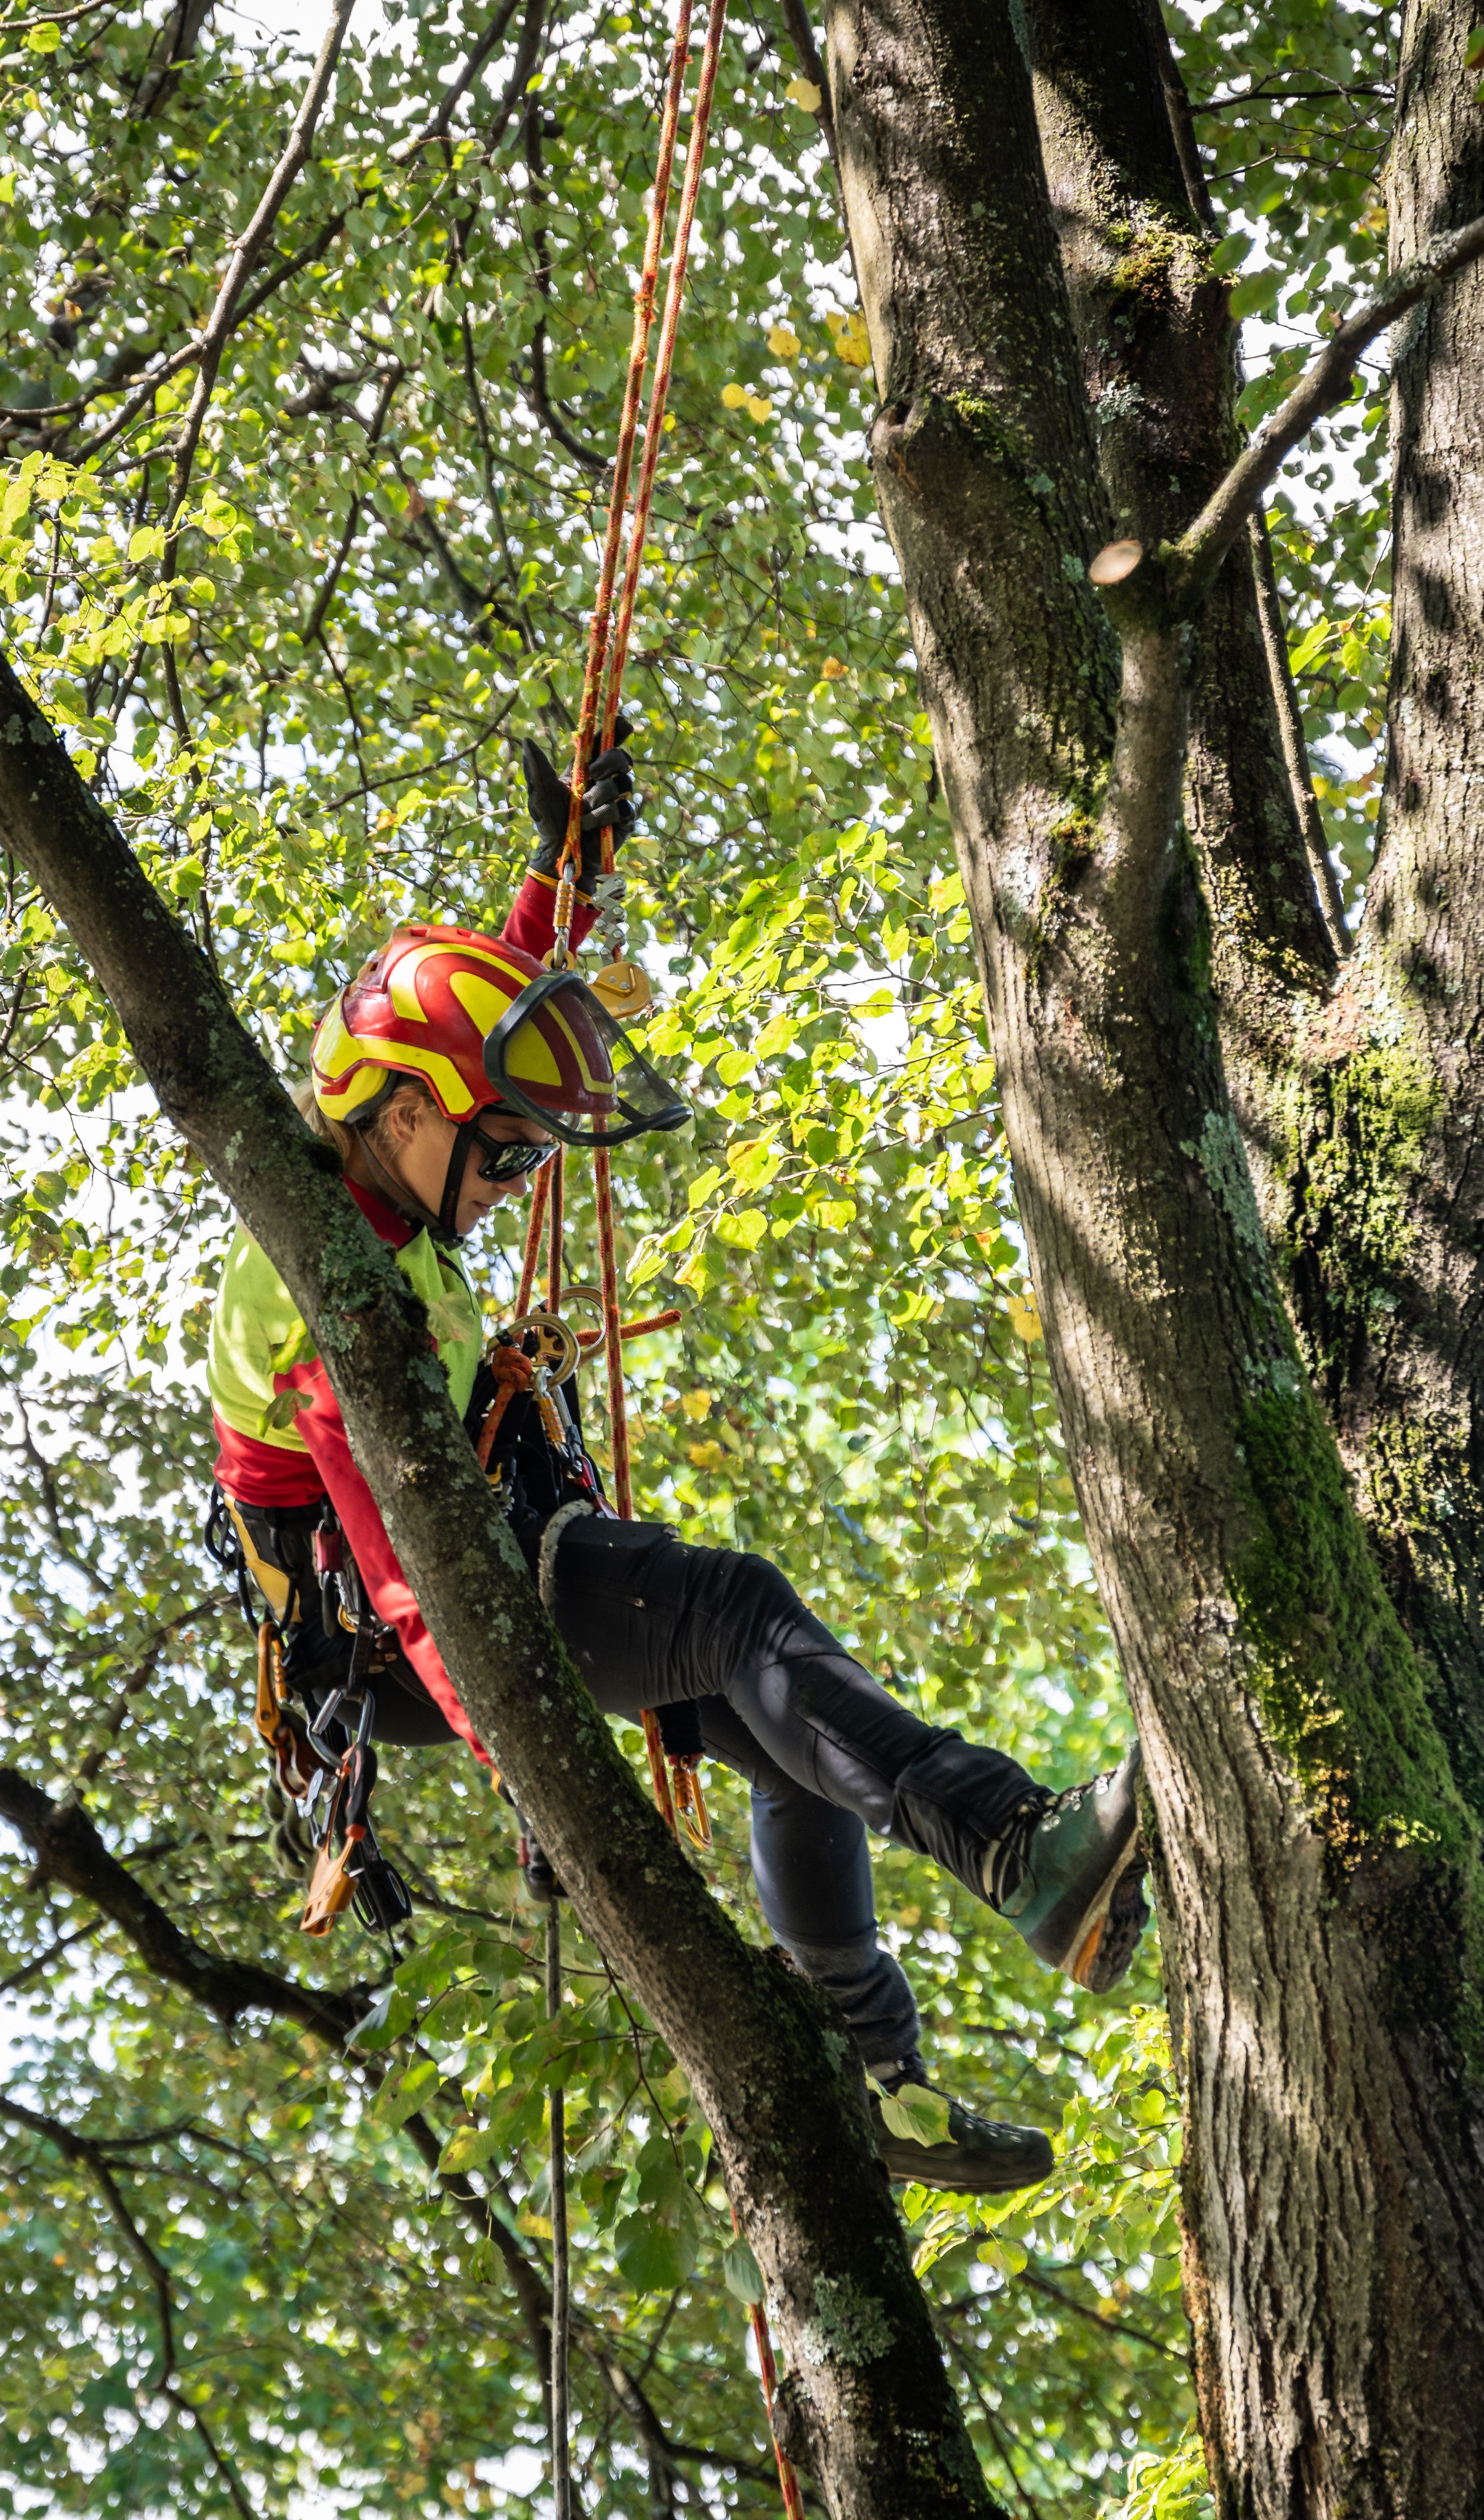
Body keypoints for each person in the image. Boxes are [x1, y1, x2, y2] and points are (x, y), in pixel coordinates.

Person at [203, 735, 1147, 2195]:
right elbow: (396, 1565)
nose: (516, 1181)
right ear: (399, 1120)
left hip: (454, 1565)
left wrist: (561, 880)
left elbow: (476, 1023)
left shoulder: (385, 1174)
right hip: (410, 1620)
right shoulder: (322, 1293)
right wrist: (531, 1764)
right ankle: (1013, 1846)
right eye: (503, 1156)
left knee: (790, 1730)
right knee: (733, 1614)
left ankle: (873, 2073)